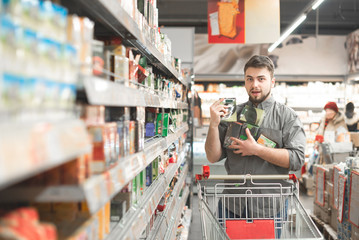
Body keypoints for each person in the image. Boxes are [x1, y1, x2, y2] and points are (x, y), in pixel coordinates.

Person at [205, 55, 306, 237]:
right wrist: (213, 124)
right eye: (249, 79)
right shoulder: (232, 113)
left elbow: (297, 159)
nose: (255, 85)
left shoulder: (287, 117)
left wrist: (257, 150)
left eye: (261, 79)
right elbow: (213, 156)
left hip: (269, 207)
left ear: (272, 82)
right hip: (232, 204)